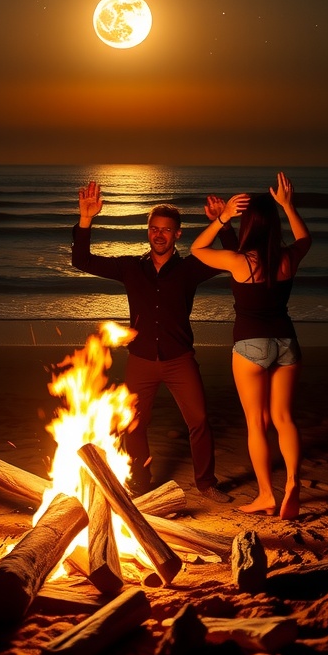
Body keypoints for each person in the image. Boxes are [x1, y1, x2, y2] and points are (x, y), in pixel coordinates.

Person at [72, 180, 241, 503]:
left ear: (178, 234)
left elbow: (234, 257)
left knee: (200, 421)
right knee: (133, 424)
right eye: (154, 229)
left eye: (166, 230)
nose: (159, 234)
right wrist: (85, 219)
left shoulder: (192, 268)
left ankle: (206, 484)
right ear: (148, 231)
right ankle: (140, 481)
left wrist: (225, 223)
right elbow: (82, 261)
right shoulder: (131, 267)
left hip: (179, 358)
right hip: (141, 359)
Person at [190, 172, 312, 520]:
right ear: (273, 225)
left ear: (249, 226)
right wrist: (288, 205)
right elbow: (305, 238)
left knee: (256, 423)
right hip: (287, 343)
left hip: (250, 346)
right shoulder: (289, 258)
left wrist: (223, 218)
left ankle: (265, 495)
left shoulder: (239, 261)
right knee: (284, 418)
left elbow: (197, 249)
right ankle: (292, 483)